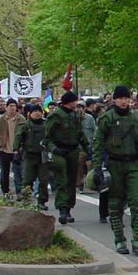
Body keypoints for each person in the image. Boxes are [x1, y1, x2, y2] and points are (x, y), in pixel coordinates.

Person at [93, 85, 138, 255]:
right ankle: (119, 239)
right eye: (120, 98)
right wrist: (97, 167)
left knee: (136, 202)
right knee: (115, 204)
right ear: (114, 99)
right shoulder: (106, 119)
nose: (123, 101)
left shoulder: (136, 118)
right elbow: (98, 144)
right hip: (114, 164)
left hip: (133, 164)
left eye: (126, 98)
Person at [44, 91, 89, 224]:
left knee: (71, 180)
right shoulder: (56, 116)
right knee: (62, 179)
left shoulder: (75, 116)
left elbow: (80, 134)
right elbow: (47, 138)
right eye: (75, 101)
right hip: (59, 151)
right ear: (69, 102)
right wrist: (54, 149)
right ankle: (62, 208)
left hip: (73, 150)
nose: (77, 103)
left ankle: (68, 207)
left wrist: (88, 148)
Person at [13, 104, 49, 209]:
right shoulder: (25, 125)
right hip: (29, 155)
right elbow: (18, 137)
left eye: (39, 111)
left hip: (43, 155)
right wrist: (16, 150)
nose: (37, 113)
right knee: (27, 180)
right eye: (35, 111)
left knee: (43, 180)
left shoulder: (46, 125)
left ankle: (42, 201)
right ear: (30, 113)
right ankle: (26, 200)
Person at [0, 97, 26, 199]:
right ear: (6, 107)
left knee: (18, 172)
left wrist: (22, 147)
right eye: (10, 106)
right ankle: (5, 191)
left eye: (14, 106)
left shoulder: (21, 119)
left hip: (17, 150)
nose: (12, 108)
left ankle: (19, 191)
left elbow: (25, 134)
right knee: (4, 172)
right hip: (4, 149)